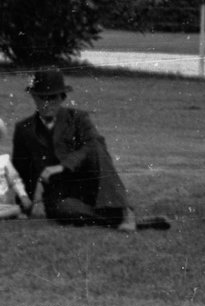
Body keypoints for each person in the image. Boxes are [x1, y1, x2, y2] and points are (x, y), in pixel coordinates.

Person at [11, 67, 170, 232]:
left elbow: (92, 146)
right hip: (61, 196)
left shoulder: (78, 118)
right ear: (34, 97)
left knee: (97, 146)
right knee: (63, 209)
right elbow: (23, 172)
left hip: (89, 186)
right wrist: (24, 206)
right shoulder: (24, 129)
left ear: (62, 97)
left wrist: (63, 166)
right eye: (42, 97)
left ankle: (123, 210)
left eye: (52, 97)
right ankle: (126, 220)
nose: (47, 103)